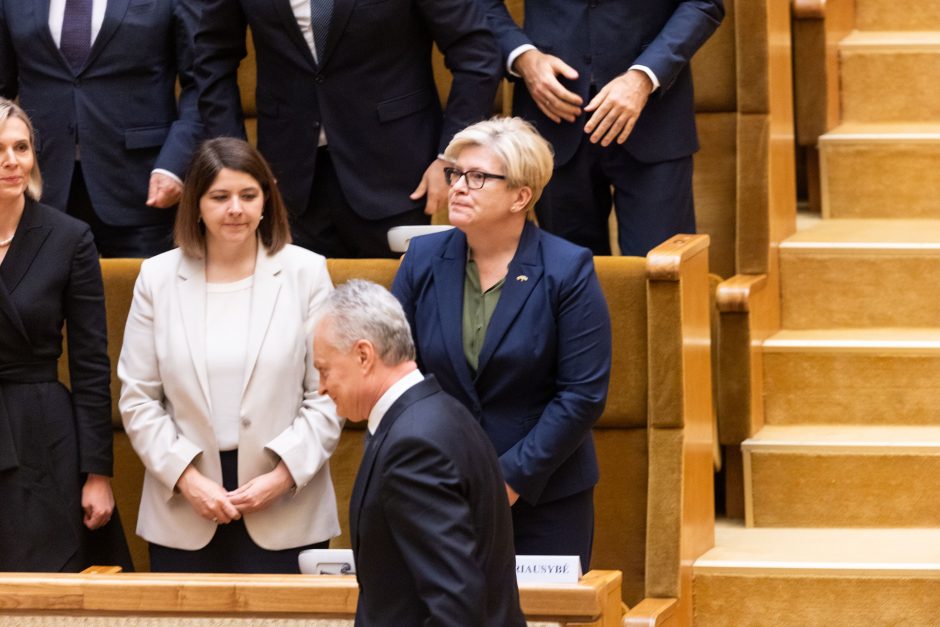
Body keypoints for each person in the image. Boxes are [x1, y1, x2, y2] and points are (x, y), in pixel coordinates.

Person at [392, 117, 611, 572]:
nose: (458, 187)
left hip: (542, 496)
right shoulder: (422, 259)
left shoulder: (567, 269)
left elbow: (582, 394)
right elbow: (397, 371)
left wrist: (509, 479)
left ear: (521, 196)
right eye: (455, 174)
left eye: (477, 177)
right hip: (438, 486)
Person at [117, 138, 343, 573]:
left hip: (286, 504)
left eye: (248, 195)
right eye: (219, 197)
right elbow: (138, 398)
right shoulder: (157, 277)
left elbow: (328, 395)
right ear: (196, 204)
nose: (235, 208)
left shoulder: (306, 272)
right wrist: (188, 480)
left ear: (266, 200)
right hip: (185, 505)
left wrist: (281, 478)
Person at [193, 0, 501, 258]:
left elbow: (476, 53)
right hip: (287, 180)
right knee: (301, 323)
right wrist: (236, 162)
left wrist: (450, 155)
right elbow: (212, 57)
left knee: (396, 318)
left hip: (396, 173)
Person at [314, 280, 525, 626]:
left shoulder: (413, 445)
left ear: (363, 355)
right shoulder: (442, 414)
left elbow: (455, 606)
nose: (321, 386)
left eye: (324, 369)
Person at [480, 0, 725, 255]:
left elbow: (703, 3)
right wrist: (522, 56)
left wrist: (645, 76)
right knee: (568, 282)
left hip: (654, 118)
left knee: (663, 276)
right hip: (552, 117)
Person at [0, 98, 131, 572]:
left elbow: (92, 365)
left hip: (42, 435)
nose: (11, 161)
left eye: (21, 147)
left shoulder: (69, 237)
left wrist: (97, 473)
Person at [0, 0, 204, 257]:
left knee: (136, 294)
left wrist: (176, 164)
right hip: (39, 191)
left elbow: (202, 84)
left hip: (142, 188)